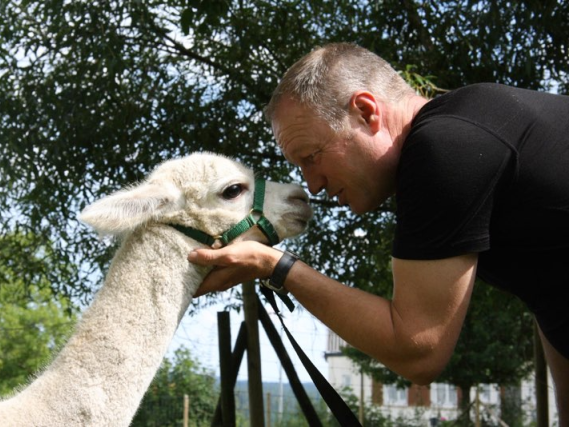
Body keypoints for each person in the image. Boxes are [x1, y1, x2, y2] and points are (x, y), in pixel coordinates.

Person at [188, 42, 569, 422]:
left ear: (366, 112)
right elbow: (550, 293)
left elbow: (419, 351)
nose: (313, 185)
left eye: (311, 157)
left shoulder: (446, 149)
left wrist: (275, 266)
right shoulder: (476, 127)